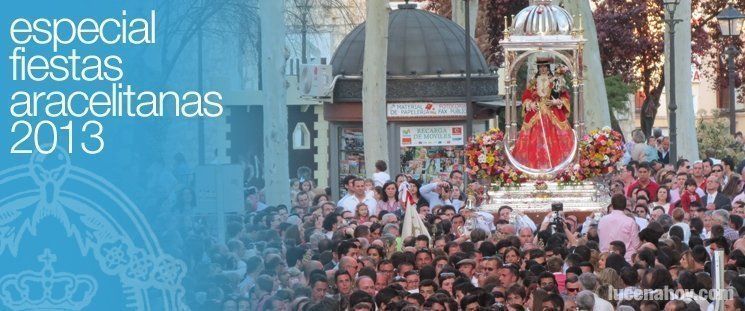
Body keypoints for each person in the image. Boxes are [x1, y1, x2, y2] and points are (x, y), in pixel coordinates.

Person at [510, 58, 574, 170]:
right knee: (534, 141)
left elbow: (564, 96)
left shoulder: (556, 81)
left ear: (548, 68)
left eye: (545, 66)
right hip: (537, 113)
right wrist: (530, 104)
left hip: (553, 112)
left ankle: (558, 168)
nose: (543, 69)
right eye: (541, 67)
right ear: (538, 68)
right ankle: (534, 168)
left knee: (555, 140)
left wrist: (556, 101)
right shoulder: (533, 83)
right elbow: (526, 97)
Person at [598, 195, 640, 262]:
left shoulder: (602, 220)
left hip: (607, 257)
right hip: (625, 259)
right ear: (625, 205)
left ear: (612, 205)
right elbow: (636, 244)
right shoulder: (630, 221)